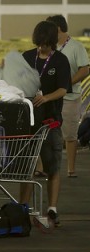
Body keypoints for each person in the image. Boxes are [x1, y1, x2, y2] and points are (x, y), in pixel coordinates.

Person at [20, 21, 72, 227]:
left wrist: (47, 98)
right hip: (27, 122)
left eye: (45, 45)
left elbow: (63, 89)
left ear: (52, 43)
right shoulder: (26, 57)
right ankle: (22, 207)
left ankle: (52, 208)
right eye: (39, 44)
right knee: (26, 168)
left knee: (53, 167)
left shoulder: (60, 61)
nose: (41, 48)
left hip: (50, 121)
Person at [46, 15, 90, 178]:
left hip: (70, 97)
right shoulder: (49, 46)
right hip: (50, 96)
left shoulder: (76, 47)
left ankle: (71, 169)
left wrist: (67, 84)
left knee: (70, 134)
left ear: (57, 29)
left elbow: (85, 69)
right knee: (47, 132)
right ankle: (46, 167)